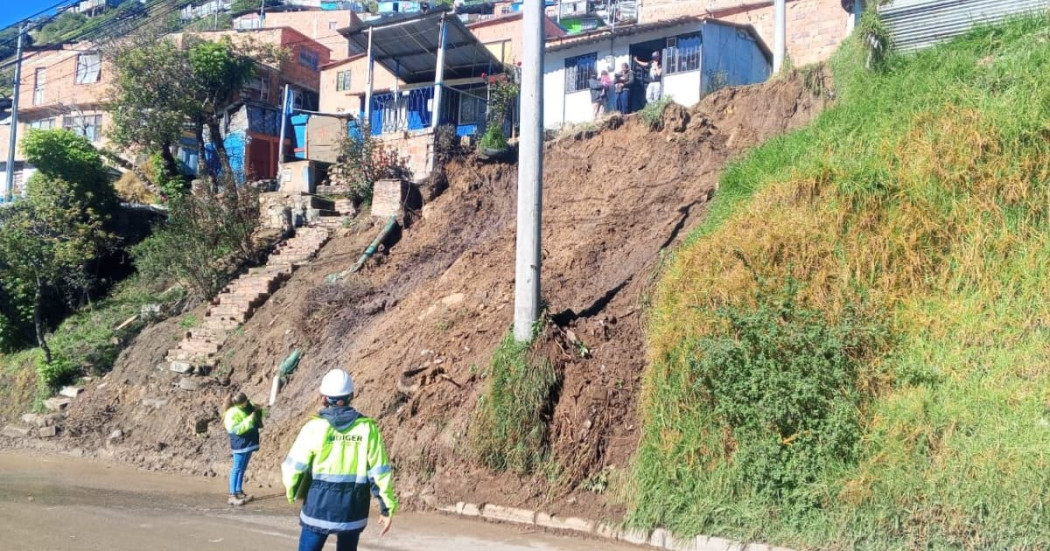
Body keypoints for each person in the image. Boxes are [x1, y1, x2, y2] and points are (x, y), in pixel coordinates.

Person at [282, 369, 397, 551]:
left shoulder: (314, 427)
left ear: (324, 397)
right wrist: (386, 508)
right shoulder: (368, 429)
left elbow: (293, 466)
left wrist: (292, 492)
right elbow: (379, 472)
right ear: (351, 395)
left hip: (318, 504)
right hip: (353, 508)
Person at [223, 391, 262, 506]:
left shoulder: (247, 405)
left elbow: (257, 415)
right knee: (237, 468)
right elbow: (236, 430)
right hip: (240, 443)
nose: (247, 404)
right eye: (244, 403)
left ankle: (239, 491)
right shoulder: (231, 413)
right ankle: (232, 495)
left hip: (248, 442)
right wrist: (250, 419)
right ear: (238, 404)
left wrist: (260, 411)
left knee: (243, 468)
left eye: (247, 401)